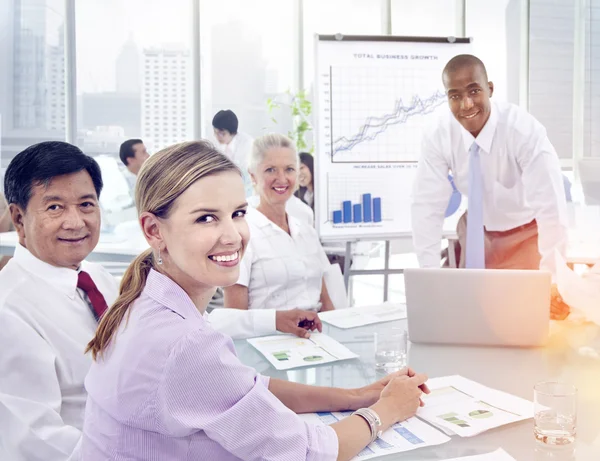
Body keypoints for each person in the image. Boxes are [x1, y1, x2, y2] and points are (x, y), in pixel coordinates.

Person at [82, 140, 429, 460]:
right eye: (206, 218)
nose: (232, 235)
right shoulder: (184, 343)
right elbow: (312, 452)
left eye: (237, 213)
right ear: (154, 230)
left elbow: (248, 387)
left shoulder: (147, 302)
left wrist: (357, 396)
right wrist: (388, 410)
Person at [411, 54, 570, 319]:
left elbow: (551, 207)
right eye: (455, 95)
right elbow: (426, 206)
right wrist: (429, 279)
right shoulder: (438, 135)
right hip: (476, 233)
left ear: (490, 89)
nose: (466, 104)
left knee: (523, 318)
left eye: (474, 91)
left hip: (525, 234)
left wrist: (553, 279)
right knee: (471, 317)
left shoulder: (522, 131)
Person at [0, 141, 119, 461]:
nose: (76, 222)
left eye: (86, 204)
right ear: (19, 218)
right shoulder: (8, 310)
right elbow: (36, 440)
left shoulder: (97, 277)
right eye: (55, 207)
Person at [224, 134, 335, 312]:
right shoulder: (241, 233)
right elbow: (235, 317)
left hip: (316, 336)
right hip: (268, 338)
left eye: (289, 169)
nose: (282, 178)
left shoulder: (306, 231)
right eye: (270, 170)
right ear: (253, 176)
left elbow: (325, 301)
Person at [212, 109, 254, 195]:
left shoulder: (247, 144)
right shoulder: (215, 144)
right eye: (215, 132)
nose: (217, 136)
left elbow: (245, 173)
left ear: (232, 132)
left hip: (245, 189)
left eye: (221, 134)